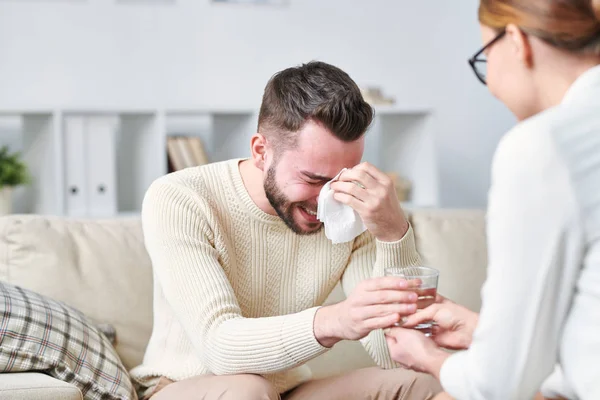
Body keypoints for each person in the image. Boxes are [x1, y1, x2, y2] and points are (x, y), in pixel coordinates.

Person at [129, 61, 442, 400]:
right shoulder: (181, 198)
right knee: (248, 390)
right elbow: (218, 347)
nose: (328, 200)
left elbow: (394, 353)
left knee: (423, 383)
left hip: (285, 392)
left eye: (342, 180)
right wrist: (335, 320)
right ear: (261, 151)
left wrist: (393, 233)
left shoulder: (349, 210)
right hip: (183, 388)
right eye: (313, 179)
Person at [384, 0, 600, 399]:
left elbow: (499, 384)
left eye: (483, 59)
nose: (492, 85)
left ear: (517, 41)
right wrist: (485, 332)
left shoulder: (544, 145)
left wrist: (428, 356)